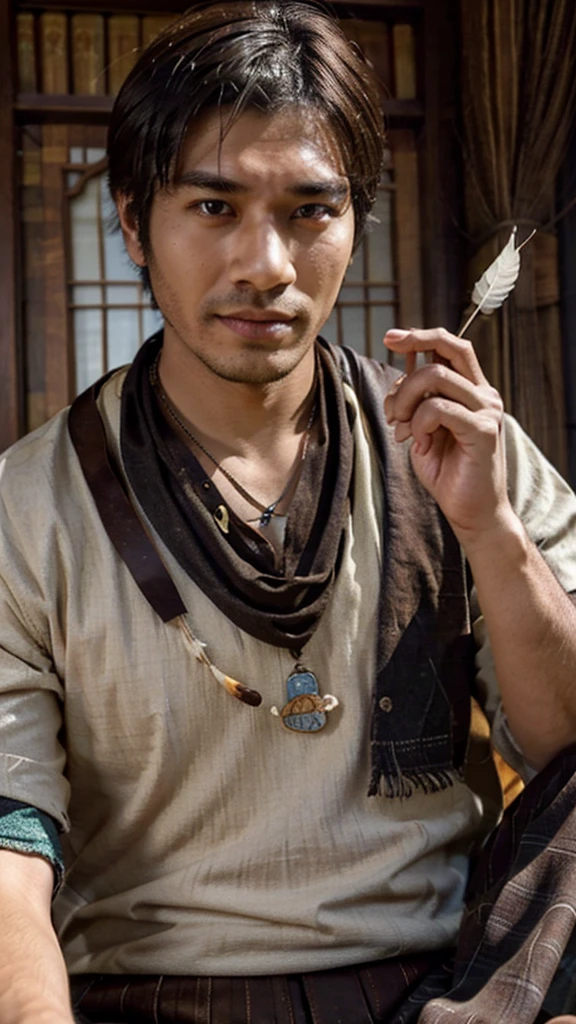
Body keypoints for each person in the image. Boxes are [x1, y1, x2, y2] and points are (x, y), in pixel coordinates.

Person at [0, 2, 576, 1022]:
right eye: (214, 208)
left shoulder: (459, 447)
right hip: (152, 995)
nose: (266, 266)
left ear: (356, 222)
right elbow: (9, 841)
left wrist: (489, 532)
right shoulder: (28, 504)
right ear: (133, 219)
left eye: (311, 210)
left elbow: (567, 739)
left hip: (447, 990)